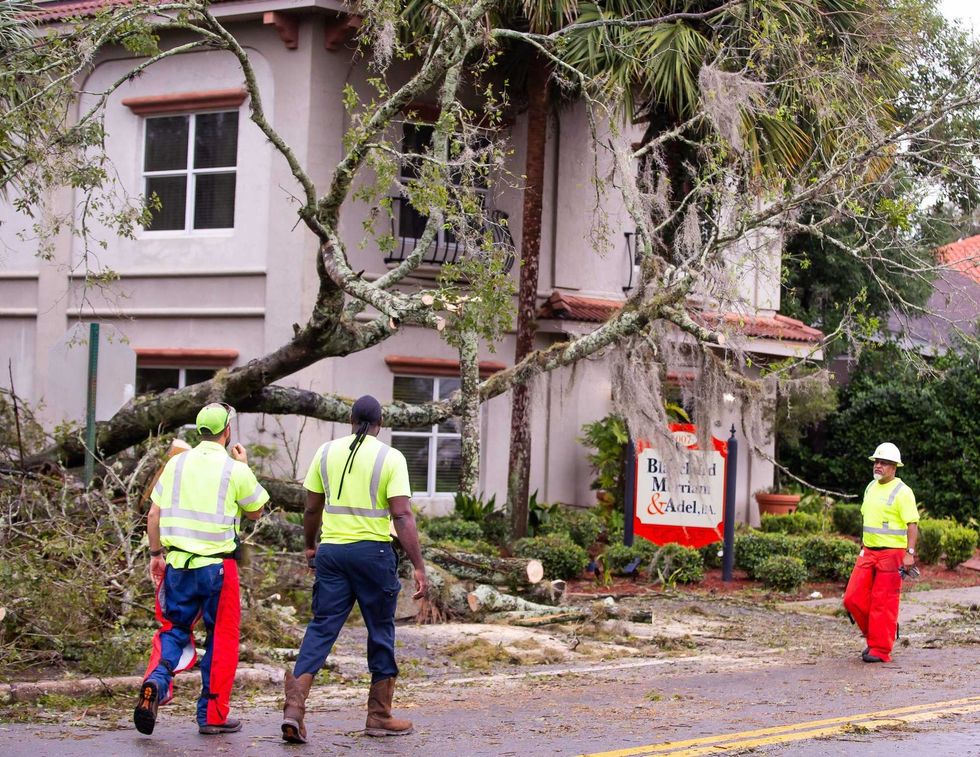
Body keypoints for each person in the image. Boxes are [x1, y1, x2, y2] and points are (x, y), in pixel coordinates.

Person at [281, 395, 427, 744]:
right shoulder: (390, 457)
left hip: (332, 553)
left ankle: (294, 709)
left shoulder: (325, 452)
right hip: (373, 555)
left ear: (350, 418)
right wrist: (419, 566)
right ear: (381, 422)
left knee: (321, 628)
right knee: (379, 630)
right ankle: (378, 715)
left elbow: (312, 508)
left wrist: (310, 544)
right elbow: (402, 515)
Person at [134, 402, 269, 736]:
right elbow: (256, 511)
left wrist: (155, 554)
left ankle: (157, 681)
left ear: (199, 431)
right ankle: (212, 715)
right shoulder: (233, 469)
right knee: (221, 640)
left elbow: (153, 515)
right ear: (228, 431)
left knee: (174, 630)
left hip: (178, 564)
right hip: (218, 570)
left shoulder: (176, 463)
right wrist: (244, 465)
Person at [842, 442, 918, 663]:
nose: (878, 466)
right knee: (852, 598)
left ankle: (881, 649)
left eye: (884, 463)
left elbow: (912, 524)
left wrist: (909, 553)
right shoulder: (870, 487)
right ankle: (877, 635)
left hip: (892, 554)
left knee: (882, 602)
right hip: (868, 551)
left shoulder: (903, 492)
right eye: (877, 461)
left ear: (894, 467)